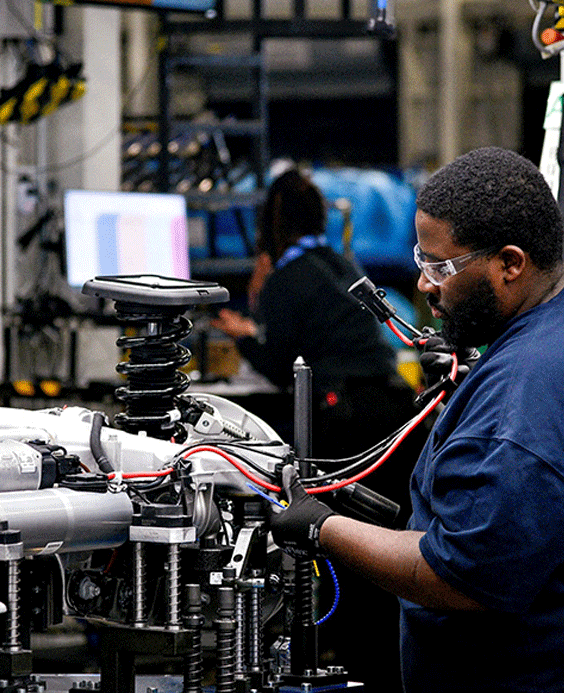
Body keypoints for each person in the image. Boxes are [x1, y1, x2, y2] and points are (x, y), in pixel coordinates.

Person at [270, 147, 564, 693]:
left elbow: (459, 574)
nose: (424, 284)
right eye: (420, 259)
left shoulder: (520, 393)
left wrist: (321, 527)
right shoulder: (543, 337)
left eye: (439, 267)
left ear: (510, 263)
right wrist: (467, 396)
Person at [212, 167, 419, 689]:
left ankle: (351, 670)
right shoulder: (339, 262)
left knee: (345, 552)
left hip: (344, 418)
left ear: (270, 223)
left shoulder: (285, 277)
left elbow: (280, 364)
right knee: (385, 551)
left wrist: (243, 331)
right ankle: (384, 671)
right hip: (392, 412)